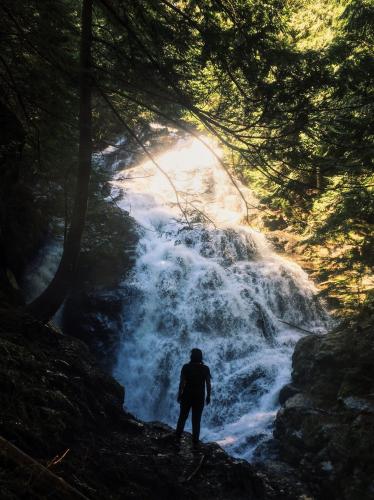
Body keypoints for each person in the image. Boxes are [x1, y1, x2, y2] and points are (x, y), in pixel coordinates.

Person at [175, 348, 211, 447]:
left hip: (186, 396)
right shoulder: (205, 368)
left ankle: (177, 436)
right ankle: (195, 441)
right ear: (201, 357)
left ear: (191, 357)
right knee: (196, 420)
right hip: (199, 397)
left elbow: (182, 383)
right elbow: (208, 384)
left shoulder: (186, 367)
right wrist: (208, 396)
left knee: (182, 416)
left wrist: (179, 394)